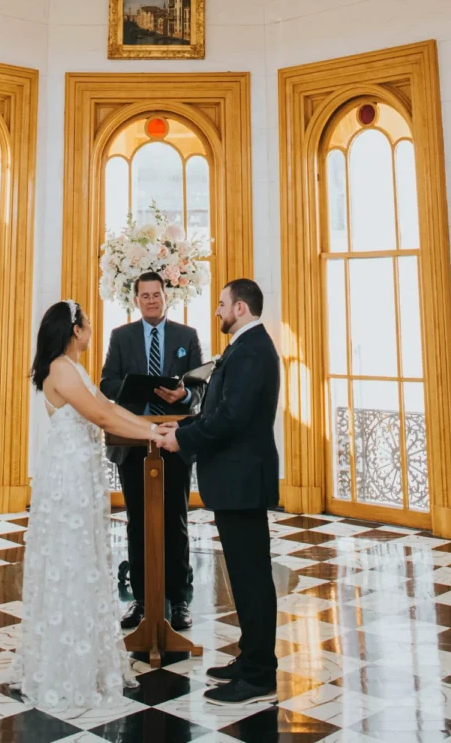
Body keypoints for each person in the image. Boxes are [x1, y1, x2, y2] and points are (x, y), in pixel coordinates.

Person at [16, 299, 161, 715]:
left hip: (82, 472)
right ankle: (66, 668)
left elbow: (112, 409)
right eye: (88, 325)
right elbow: (101, 416)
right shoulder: (61, 369)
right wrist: (156, 434)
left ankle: (86, 659)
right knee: (70, 558)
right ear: (73, 330)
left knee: (86, 558)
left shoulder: (72, 367)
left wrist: (154, 429)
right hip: (67, 477)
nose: (92, 330)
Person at [159, 278, 279, 705]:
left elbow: (231, 418)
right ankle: (250, 659)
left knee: (252, 579)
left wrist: (182, 439)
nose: (217, 311)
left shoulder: (252, 350)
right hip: (236, 479)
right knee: (245, 578)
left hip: (243, 480)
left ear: (241, 308)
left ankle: (260, 674)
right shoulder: (245, 346)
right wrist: (184, 425)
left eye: (222, 304)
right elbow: (219, 409)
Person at [100, 271, 201, 632]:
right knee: (138, 522)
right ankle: (141, 601)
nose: (151, 301)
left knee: (175, 520)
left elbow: (199, 389)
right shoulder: (120, 337)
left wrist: (183, 396)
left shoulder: (186, 336)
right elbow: (106, 381)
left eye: (156, 295)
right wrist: (139, 390)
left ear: (165, 297)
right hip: (132, 443)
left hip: (175, 441)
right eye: (144, 296)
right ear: (136, 300)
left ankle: (179, 600)